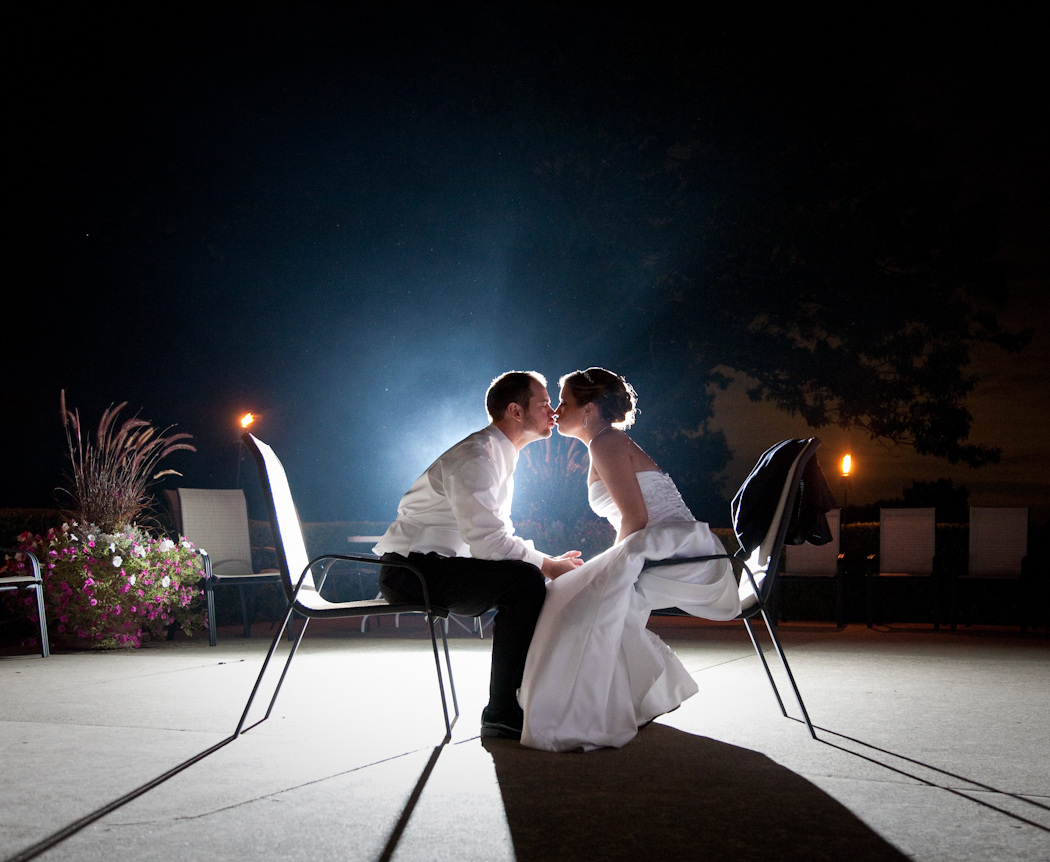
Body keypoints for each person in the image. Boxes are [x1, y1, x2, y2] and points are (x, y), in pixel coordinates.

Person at [519, 367, 741, 752]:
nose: (556, 410)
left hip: (675, 549)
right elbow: (633, 518)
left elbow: (635, 519)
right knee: (573, 592)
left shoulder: (606, 442)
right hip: (660, 544)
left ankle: (580, 710)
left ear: (588, 409)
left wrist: (607, 569)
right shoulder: (603, 442)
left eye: (564, 402)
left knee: (567, 594)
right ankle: (615, 701)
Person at [373, 371, 583, 741]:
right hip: (411, 571)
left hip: (431, 566)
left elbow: (495, 539)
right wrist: (549, 566)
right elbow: (490, 545)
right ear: (516, 411)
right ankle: (502, 711)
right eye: (544, 403)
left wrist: (547, 561)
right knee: (525, 582)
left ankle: (521, 701)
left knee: (526, 578)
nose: (553, 411)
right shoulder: (477, 456)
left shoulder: (497, 455)